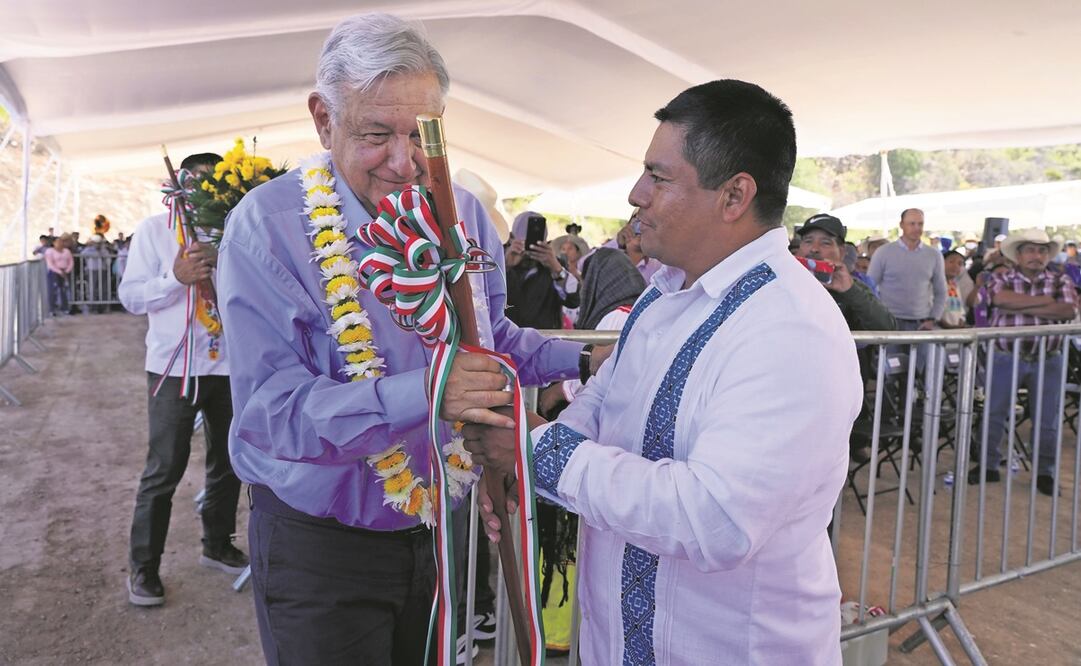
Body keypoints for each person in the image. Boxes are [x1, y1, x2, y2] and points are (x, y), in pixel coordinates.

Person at [215, 14, 591, 664]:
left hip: (437, 527)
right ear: (322, 120)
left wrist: (586, 355)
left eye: (421, 133)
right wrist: (421, 394)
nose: (404, 160)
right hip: (319, 547)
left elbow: (491, 339)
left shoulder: (463, 214)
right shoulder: (266, 228)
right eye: (375, 134)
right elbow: (269, 413)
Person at [465, 79, 862, 664]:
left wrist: (534, 452)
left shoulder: (789, 329)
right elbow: (602, 402)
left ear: (734, 196)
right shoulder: (665, 293)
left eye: (659, 176)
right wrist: (524, 464)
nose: (635, 194)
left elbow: (715, 519)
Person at [119, 151, 247, 608]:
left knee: (230, 462)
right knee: (164, 467)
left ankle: (217, 544)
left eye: (212, 184)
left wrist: (228, 267)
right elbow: (131, 297)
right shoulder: (153, 232)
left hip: (230, 365)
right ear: (178, 186)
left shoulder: (235, 230)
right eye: (194, 182)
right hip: (174, 368)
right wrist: (175, 278)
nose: (201, 192)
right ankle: (144, 567)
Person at [967, 229, 1076, 497]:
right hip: (1006, 357)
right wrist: (1046, 303)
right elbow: (1000, 299)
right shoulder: (1000, 277)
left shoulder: (1060, 278)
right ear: (1019, 254)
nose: (1036, 256)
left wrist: (1019, 306)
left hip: (1048, 359)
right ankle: (988, 465)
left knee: (1047, 420)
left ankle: (1045, 472)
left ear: (1047, 254)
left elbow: (1068, 309)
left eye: (1041, 251)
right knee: (994, 413)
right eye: (1030, 250)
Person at [867, 208, 947, 334]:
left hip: (922, 323)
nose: (916, 228)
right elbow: (869, 286)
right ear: (901, 225)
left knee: (922, 354)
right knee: (892, 355)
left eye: (920, 224)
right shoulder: (883, 252)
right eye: (912, 223)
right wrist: (878, 317)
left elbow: (941, 292)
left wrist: (933, 319)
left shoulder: (934, 255)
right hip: (890, 321)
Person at [505, 211, 574, 329]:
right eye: (523, 242)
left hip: (544, 341)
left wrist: (556, 269)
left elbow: (573, 301)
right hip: (508, 339)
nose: (529, 249)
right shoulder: (502, 261)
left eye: (534, 242)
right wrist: (505, 266)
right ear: (511, 238)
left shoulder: (554, 264)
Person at [43, 234, 73, 315]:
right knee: (53, 290)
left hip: (65, 271)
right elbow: (50, 264)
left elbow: (70, 262)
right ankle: (52, 309)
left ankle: (65, 307)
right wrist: (59, 272)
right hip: (54, 272)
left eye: (61, 242)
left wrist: (67, 271)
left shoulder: (67, 251)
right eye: (58, 242)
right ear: (54, 243)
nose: (60, 243)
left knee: (64, 290)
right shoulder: (49, 251)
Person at [940, 250, 970, 328]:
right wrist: (946, 325)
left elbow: (960, 308)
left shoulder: (955, 285)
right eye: (951, 262)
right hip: (938, 332)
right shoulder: (933, 284)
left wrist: (962, 320)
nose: (955, 266)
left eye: (959, 264)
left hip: (955, 331)